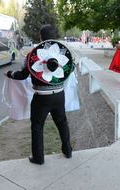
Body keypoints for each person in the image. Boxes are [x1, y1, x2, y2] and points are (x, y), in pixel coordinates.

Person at [6, 24, 73, 165]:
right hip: (59, 95)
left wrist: (10, 74)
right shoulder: (62, 52)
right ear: (54, 36)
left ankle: (38, 158)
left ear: (40, 36)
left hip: (41, 97)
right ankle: (68, 150)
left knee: (37, 126)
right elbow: (70, 68)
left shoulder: (33, 53)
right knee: (62, 122)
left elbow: (22, 75)